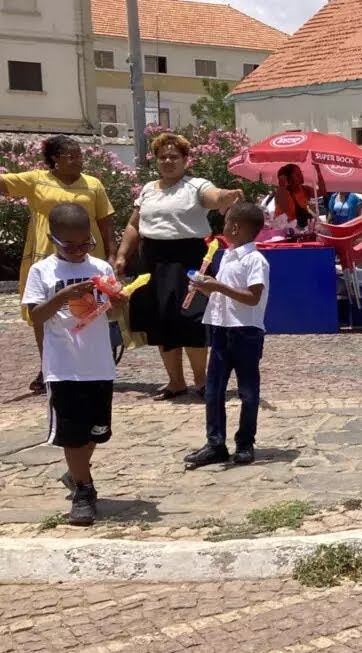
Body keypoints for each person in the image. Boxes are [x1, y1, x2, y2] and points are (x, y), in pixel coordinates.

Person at [114, 132, 244, 401]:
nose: (168, 161)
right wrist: (123, 254)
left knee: (192, 319)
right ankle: (175, 382)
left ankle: (202, 382)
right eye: (162, 157)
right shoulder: (148, 189)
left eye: (174, 156)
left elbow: (214, 197)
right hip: (152, 259)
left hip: (189, 259)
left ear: (186, 160)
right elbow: (134, 224)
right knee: (162, 321)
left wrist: (226, 196)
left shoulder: (196, 185)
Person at [22, 204, 119, 526]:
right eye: (70, 245)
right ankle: (84, 490)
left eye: (85, 243)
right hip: (64, 366)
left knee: (95, 432)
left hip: (99, 363)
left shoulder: (101, 266)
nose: (79, 251)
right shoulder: (42, 271)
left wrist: (119, 300)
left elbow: (114, 313)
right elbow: (36, 316)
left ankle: (76, 472)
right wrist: (62, 296)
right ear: (53, 239)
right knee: (72, 435)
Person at [1, 136, 116, 394]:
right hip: (47, 256)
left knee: (89, 309)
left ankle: (89, 361)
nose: (78, 161)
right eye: (71, 156)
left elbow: (105, 220)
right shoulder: (36, 180)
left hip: (87, 255)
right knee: (47, 312)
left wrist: (112, 254)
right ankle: (48, 365)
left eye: (80, 156)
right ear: (55, 158)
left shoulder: (93, 184)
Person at [184, 203, 270, 469]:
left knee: (248, 391)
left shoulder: (255, 260)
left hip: (245, 332)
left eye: (226, 224)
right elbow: (224, 294)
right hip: (221, 329)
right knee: (213, 390)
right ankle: (215, 443)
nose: (223, 229)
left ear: (235, 227)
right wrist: (205, 288)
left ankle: (245, 443)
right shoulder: (228, 257)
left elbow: (253, 297)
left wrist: (218, 286)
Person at [271, 163, 324, 229]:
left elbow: (322, 192)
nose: (301, 176)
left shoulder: (304, 189)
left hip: (298, 229)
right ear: (289, 178)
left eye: (301, 173)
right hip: (283, 229)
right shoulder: (283, 193)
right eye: (297, 174)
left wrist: (318, 172)